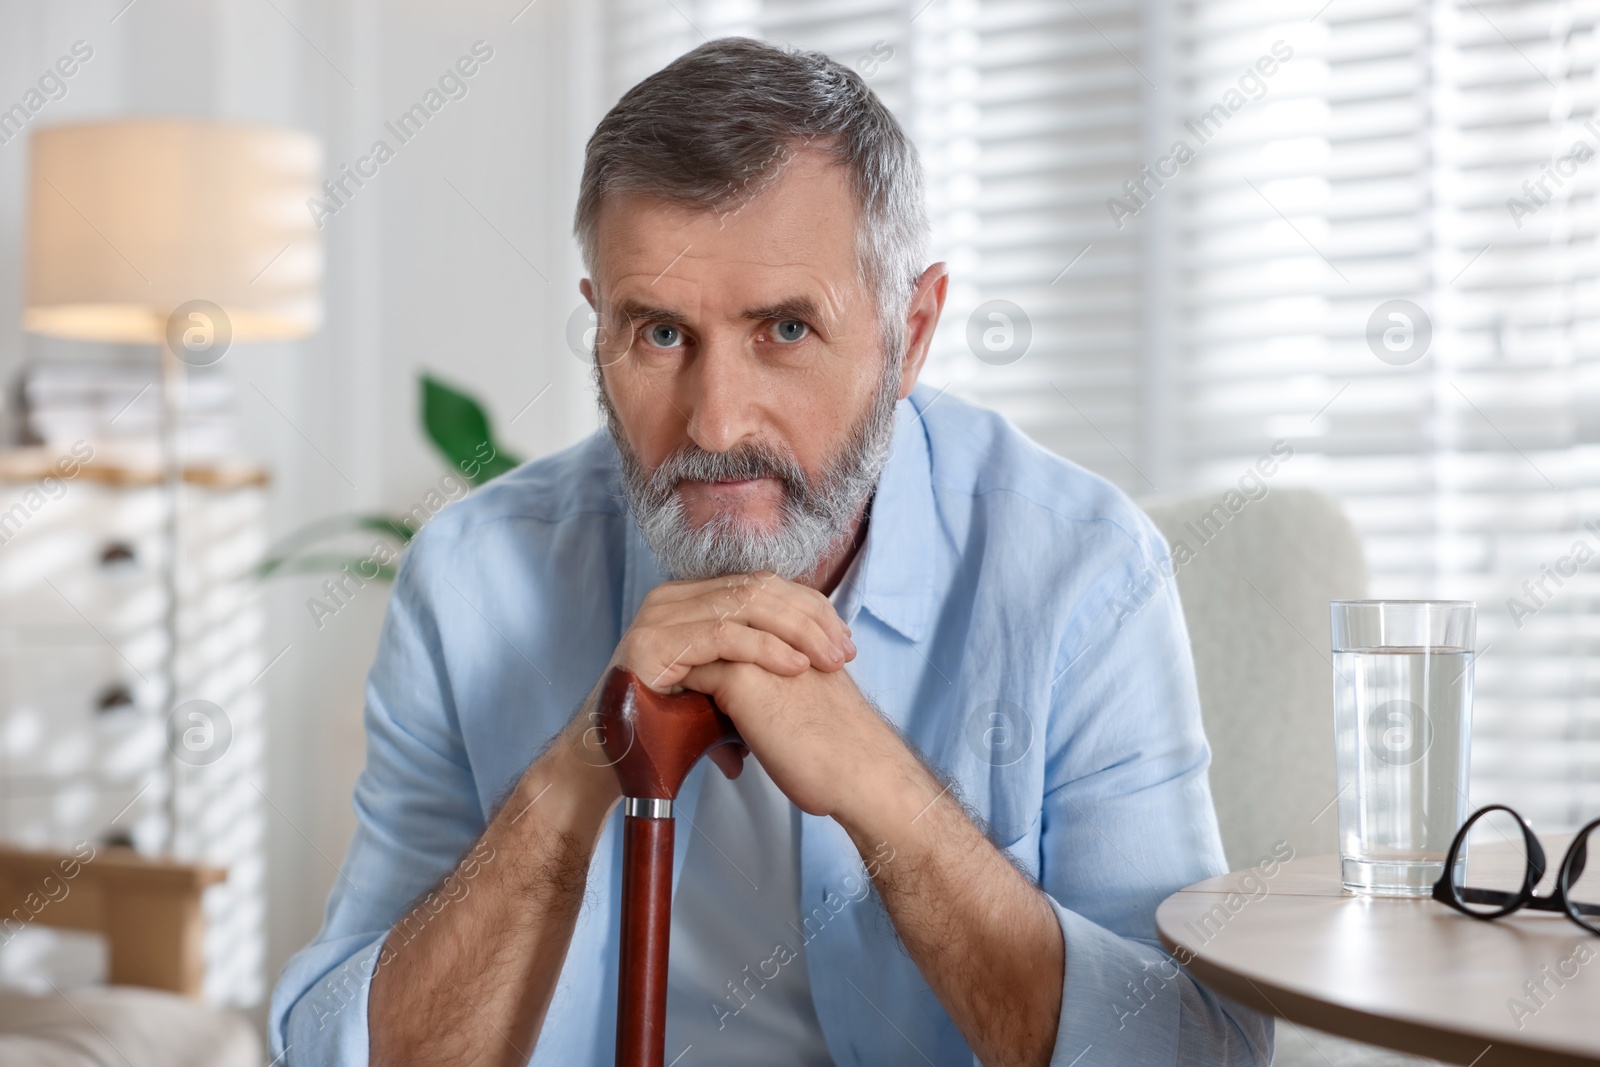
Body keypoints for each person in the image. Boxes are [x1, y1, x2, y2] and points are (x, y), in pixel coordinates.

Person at [269, 36, 1271, 1067]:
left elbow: (1198, 1051)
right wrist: (571, 781)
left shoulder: (1082, 574)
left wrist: (887, 795)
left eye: (785, 329)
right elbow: (339, 1049)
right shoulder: (470, 577)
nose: (713, 424)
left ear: (910, 330)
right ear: (599, 327)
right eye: (658, 334)